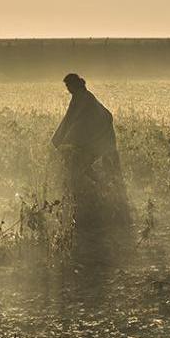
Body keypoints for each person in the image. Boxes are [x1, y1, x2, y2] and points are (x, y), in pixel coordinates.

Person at [52, 73, 129, 225]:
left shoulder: (84, 98)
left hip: (99, 138)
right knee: (84, 167)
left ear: (75, 85)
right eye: (66, 87)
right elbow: (71, 119)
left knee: (85, 166)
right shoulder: (80, 97)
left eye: (69, 86)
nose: (68, 89)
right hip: (93, 140)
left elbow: (76, 120)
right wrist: (59, 139)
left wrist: (61, 139)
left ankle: (103, 194)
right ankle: (100, 191)